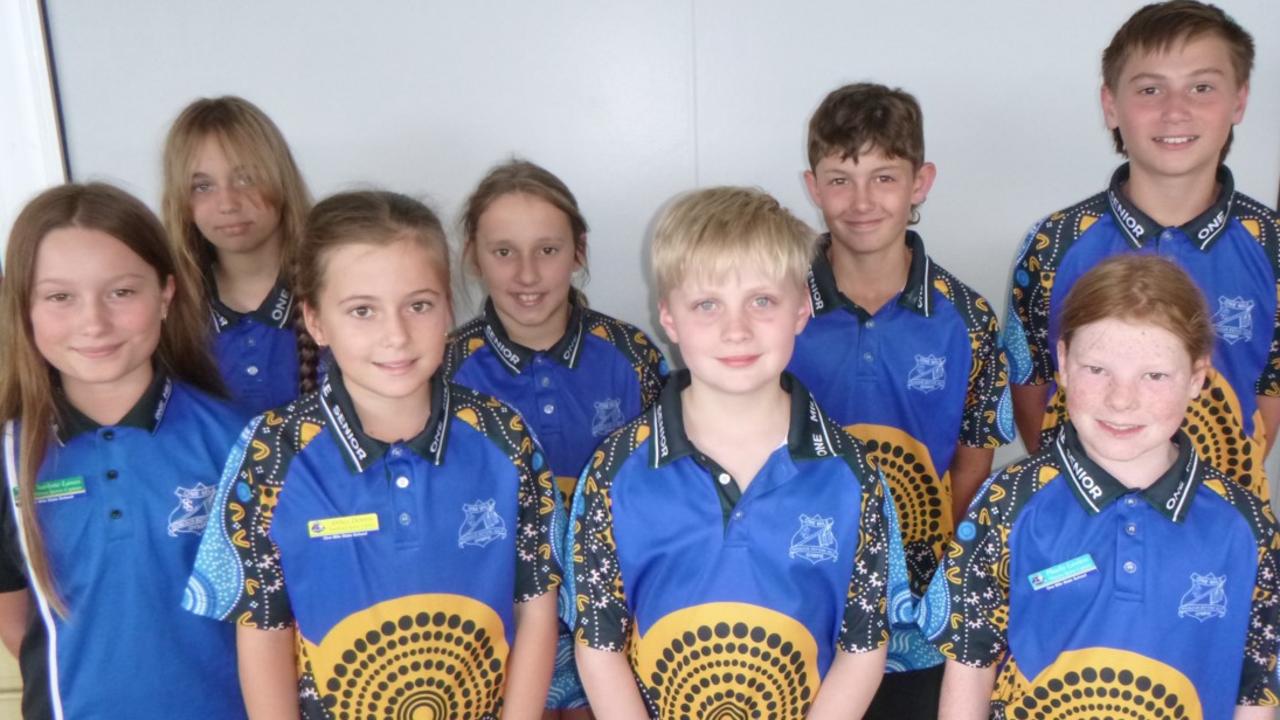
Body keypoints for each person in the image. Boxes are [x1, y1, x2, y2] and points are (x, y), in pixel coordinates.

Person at [184, 190, 560, 719]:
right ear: (315, 321)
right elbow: (263, 630)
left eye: (419, 305)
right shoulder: (271, 452)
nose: (396, 335)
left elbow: (537, 610)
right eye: (363, 310)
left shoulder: (505, 437)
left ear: (449, 309)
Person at [571, 186, 891, 718]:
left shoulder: (852, 472)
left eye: (762, 301)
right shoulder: (615, 469)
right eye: (707, 304)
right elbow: (600, 642)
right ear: (669, 318)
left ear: (802, 309)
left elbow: (863, 642)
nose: (736, 329)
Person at [925, 255, 1280, 720]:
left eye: (1154, 375)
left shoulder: (1247, 526)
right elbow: (970, 666)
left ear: (1196, 378)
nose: (1121, 399)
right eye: (1098, 370)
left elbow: (1256, 693)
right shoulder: (1005, 503)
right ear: (1065, 363)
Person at [790, 82, 1015, 717]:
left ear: (921, 182)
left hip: (917, 615)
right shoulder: (776, 304)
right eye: (840, 179)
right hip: (800, 593)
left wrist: (955, 577)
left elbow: (973, 464)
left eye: (884, 177)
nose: (861, 202)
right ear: (812, 186)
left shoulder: (966, 318)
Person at [1004, 0, 1278, 502]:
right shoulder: (1054, 243)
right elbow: (1033, 389)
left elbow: (1266, 397)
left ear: (1239, 100)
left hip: (1221, 527)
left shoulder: (1273, 246)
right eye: (1150, 89)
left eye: (1202, 87)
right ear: (1110, 105)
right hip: (1079, 524)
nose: (1176, 110)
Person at [0, 182, 247, 719]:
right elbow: (17, 624)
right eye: (60, 297)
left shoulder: (244, 440)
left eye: (121, 292)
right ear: (25, 307)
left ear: (165, 294)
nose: (94, 322)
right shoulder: (8, 456)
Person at [444, 159, 667, 717]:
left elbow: (668, 493)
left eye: (547, 249)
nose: (526, 273)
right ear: (473, 254)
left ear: (579, 250)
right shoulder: (444, 372)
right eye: (503, 251)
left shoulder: (632, 355)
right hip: (498, 633)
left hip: (615, 628)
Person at [161, 95, 312, 415]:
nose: (228, 203)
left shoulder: (334, 290)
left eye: (247, 178)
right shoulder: (166, 311)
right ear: (180, 200)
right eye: (202, 186)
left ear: (281, 180)